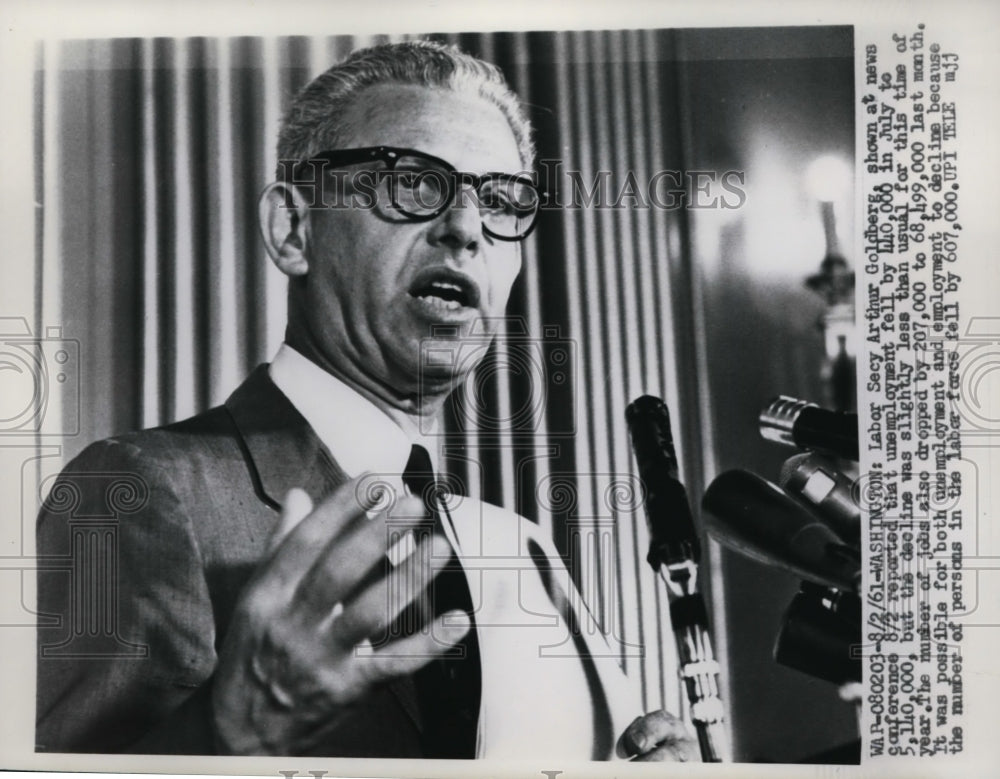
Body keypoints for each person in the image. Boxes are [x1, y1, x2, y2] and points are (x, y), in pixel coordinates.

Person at [35, 40, 696, 762]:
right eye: (411, 183)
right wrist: (230, 735)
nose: (467, 229)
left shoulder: (527, 552)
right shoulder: (138, 487)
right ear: (294, 229)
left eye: (502, 200)